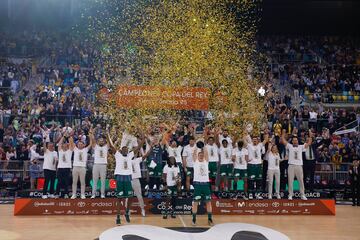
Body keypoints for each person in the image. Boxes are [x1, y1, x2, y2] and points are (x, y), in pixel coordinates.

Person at [281, 130, 313, 200]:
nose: (295, 141)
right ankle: (290, 195)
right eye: (294, 140)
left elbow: (309, 143)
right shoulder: (289, 146)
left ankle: (302, 195)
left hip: (299, 166)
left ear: (298, 141)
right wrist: (283, 134)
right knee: (290, 181)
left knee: (301, 181)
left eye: (296, 140)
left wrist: (310, 136)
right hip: (291, 166)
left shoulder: (301, 147)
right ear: (292, 141)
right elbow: (283, 140)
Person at [109, 136, 134, 224]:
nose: (125, 150)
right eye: (123, 149)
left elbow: (138, 147)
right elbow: (112, 146)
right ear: (121, 151)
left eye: (126, 149)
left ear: (128, 151)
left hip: (128, 177)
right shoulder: (118, 155)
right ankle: (118, 217)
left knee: (130, 197)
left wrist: (143, 138)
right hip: (119, 177)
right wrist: (108, 134)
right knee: (119, 198)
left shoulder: (130, 155)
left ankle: (127, 212)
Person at [191, 146, 213, 226]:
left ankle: (210, 219)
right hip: (197, 184)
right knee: (195, 203)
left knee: (208, 202)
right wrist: (197, 146)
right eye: (200, 155)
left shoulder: (206, 162)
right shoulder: (195, 162)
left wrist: (203, 146)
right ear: (198, 156)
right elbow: (193, 154)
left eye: (202, 155)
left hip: (205, 185)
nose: (201, 156)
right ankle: (194, 219)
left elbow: (206, 153)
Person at [71, 129, 94, 199]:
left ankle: (82, 194)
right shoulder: (75, 149)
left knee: (82, 182)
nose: (80, 145)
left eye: (81, 144)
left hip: (83, 168)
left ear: (84, 145)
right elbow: (71, 142)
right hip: (75, 167)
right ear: (77, 145)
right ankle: (74, 194)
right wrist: (72, 134)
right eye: (79, 144)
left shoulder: (85, 150)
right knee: (74, 181)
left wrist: (90, 136)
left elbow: (91, 144)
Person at [245, 135, 268, 199]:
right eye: (253, 139)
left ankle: (258, 194)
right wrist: (244, 133)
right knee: (250, 180)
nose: (254, 140)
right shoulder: (249, 146)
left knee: (259, 180)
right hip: (251, 165)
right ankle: (250, 194)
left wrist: (265, 132)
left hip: (258, 165)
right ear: (252, 140)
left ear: (258, 141)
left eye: (256, 139)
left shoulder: (260, 145)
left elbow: (266, 140)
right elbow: (244, 140)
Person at [131, 140, 150, 217]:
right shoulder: (127, 159)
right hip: (128, 179)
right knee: (127, 196)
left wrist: (151, 148)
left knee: (139, 195)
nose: (134, 153)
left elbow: (145, 155)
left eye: (135, 152)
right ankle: (127, 210)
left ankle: (142, 209)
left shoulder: (137, 160)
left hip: (136, 179)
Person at [55, 132, 74, 198]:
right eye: (64, 144)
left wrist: (68, 137)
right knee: (59, 182)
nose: (65, 145)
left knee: (66, 182)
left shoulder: (70, 151)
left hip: (67, 168)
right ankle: (57, 194)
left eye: (66, 144)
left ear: (67, 145)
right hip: (60, 168)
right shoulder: (60, 151)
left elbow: (72, 144)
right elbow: (59, 143)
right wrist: (63, 136)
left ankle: (66, 194)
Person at [91, 134, 110, 199]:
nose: (101, 142)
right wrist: (92, 132)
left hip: (103, 165)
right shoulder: (96, 146)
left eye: (102, 141)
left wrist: (107, 134)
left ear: (104, 141)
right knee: (95, 180)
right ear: (98, 141)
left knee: (103, 180)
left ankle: (102, 194)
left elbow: (109, 141)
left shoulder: (106, 147)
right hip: (96, 164)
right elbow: (93, 140)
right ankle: (93, 194)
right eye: (100, 141)